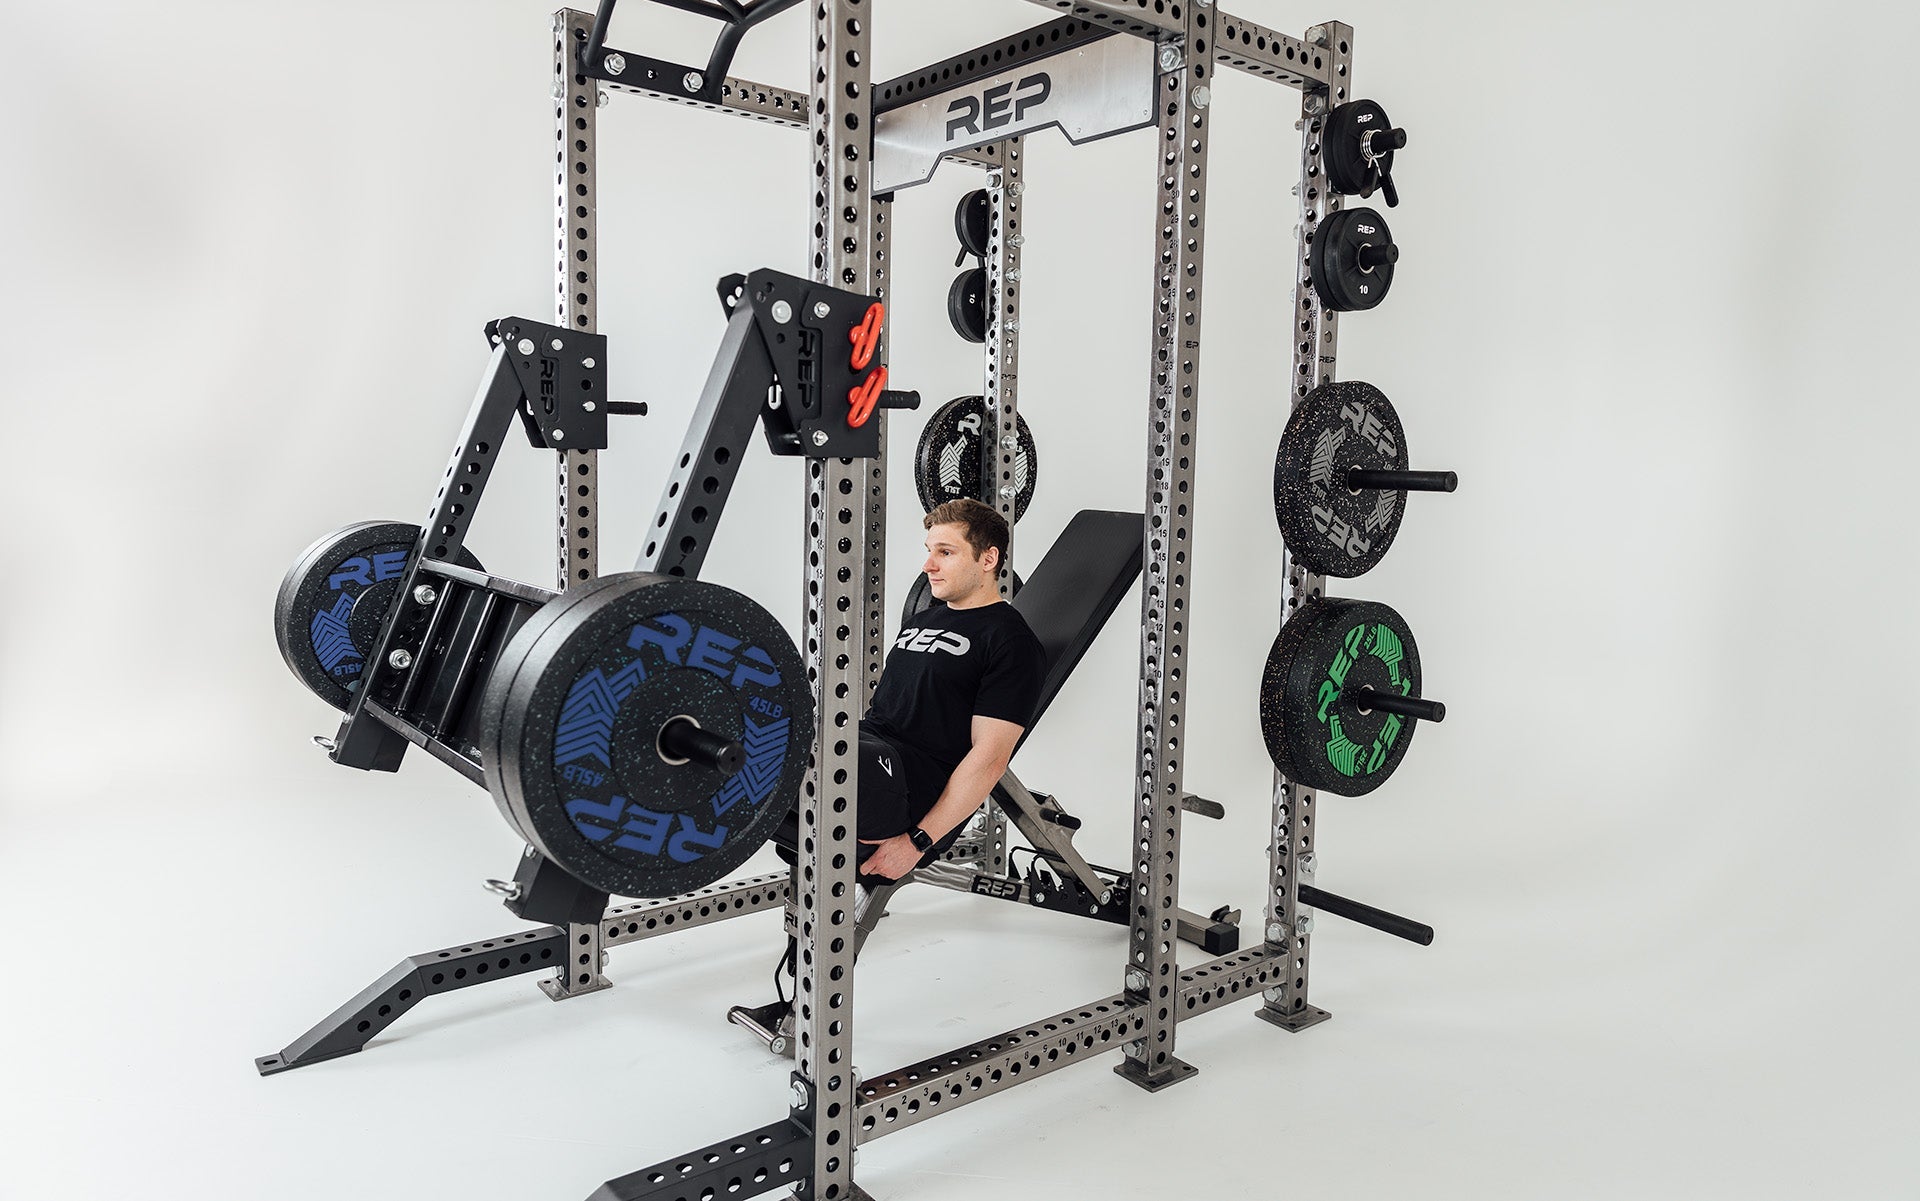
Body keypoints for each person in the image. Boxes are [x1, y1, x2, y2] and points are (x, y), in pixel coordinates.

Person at [852, 497, 1046, 882]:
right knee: (776, 736)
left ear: (987, 560)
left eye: (945, 552)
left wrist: (917, 842)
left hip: (906, 786)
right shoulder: (922, 621)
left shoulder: (1011, 640)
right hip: (866, 749)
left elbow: (990, 758)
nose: (928, 566)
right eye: (929, 551)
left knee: (806, 754)